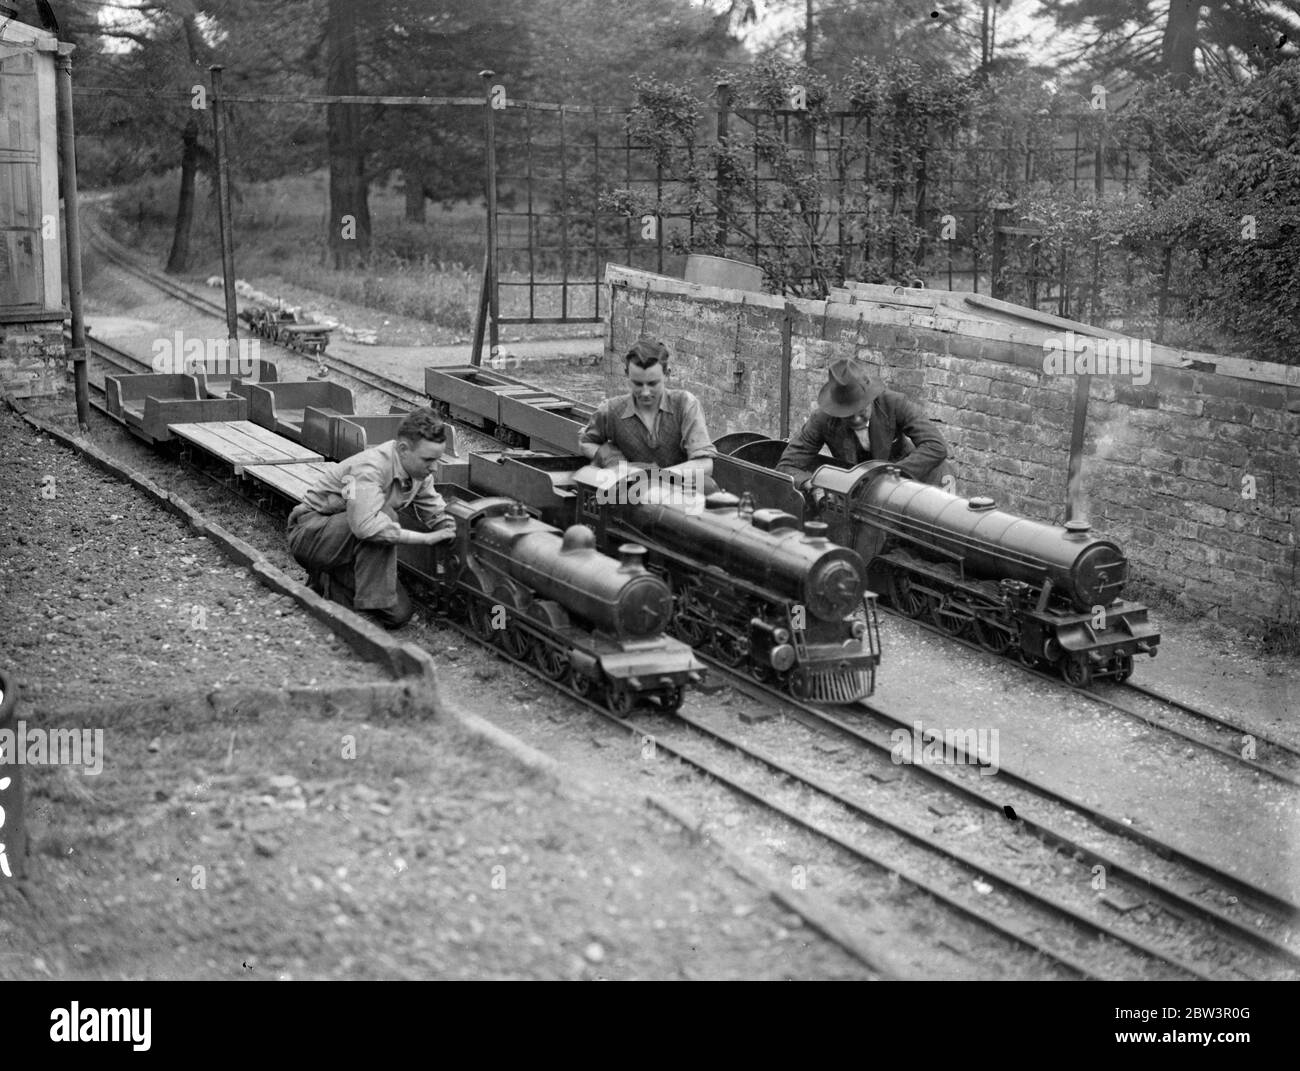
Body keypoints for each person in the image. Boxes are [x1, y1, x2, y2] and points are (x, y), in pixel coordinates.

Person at [287, 407, 455, 629]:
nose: (434, 467)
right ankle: (333, 579)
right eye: (428, 459)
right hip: (311, 533)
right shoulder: (370, 468)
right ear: (403, 449)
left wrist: (452, 527)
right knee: (384, 516)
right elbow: (365, 527)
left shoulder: (418, 472)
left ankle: (334, 581)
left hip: (350, 542)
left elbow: (435, 511)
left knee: (398, 615)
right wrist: (425, 539)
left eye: (437, 459)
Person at [777, 358, 951, 508]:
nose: (857, 419)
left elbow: (935, 445)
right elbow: (786, 465)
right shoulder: (822, 419)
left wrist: (890, 475)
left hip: (909, 481)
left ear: (871, 398)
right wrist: (813, 484)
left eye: (861, 411)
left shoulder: (894, 403)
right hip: (859, 491)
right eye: (848, 414)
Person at [579, 339, 717, 487]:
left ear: (667, 374)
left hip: (678, 494)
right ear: (627, 374)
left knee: (708, 487)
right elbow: (585, 442)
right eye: (637, 384)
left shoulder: (685, 405)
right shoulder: (611, 410)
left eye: (652, 383)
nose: (645, 392)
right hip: (632, 495)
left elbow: (705, 463)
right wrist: (610, 458)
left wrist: (654, 476)